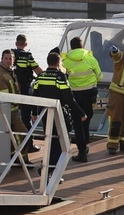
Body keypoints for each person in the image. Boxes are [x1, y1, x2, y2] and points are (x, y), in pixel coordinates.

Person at [33, 51, 86, 180]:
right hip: (59, 114)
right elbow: (69, 98)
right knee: (61, 143)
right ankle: (50, 169)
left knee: (50, 141)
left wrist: (34, 113)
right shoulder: (60, 77)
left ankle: (47, 168)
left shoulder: (41, 76)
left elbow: (34, 95)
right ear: (58, 63)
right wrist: (80, 113)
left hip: (45, 113)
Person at [62, 36, 102, 162]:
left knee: (77, 124)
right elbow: (99, 76)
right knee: (86, 122)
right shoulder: (90, 58)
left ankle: (82, 151)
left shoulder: (66, 61)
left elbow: (63, 78)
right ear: (82, 46)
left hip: (74, 95)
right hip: (89, 94)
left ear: (71, 47)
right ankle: (84, 148)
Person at [0, 49, 38, 157]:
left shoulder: (9, 71)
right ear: (1, 59)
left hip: (14, 109)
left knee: (15, 137)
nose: (8, 61)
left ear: (14, 60)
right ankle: (21, 160)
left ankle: (15, 159)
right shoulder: (1, 75)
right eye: (6, 59)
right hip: (8, 110)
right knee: (23, 135)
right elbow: (4, 97)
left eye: (11, 59)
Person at [14, 34, 43, 133]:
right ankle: (29, 142)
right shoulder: (28, 56)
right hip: (25, 89)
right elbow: (39, 72)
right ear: (26, 44)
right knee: (26, 118)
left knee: (13, 117)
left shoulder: (11, 55)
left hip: (13, 89)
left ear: (15, 43)